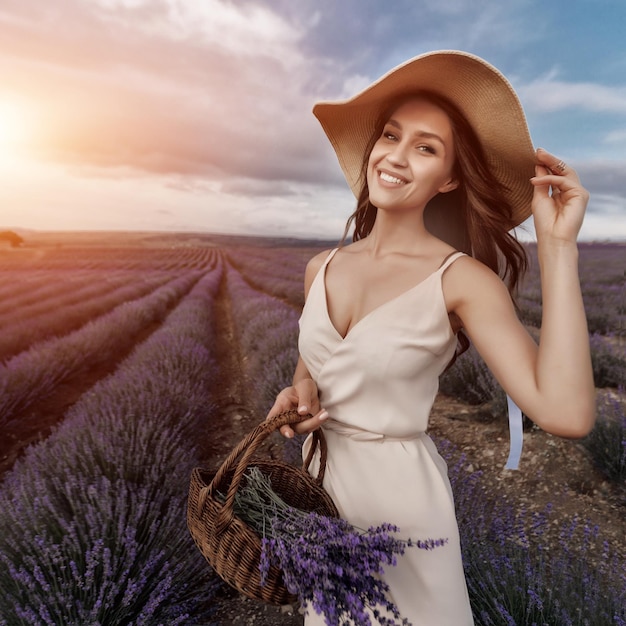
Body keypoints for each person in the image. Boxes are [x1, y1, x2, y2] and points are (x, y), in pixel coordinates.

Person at [266, 50, 596, 625]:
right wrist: (296, 399)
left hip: (405, 518)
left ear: (449, 178)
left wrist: (558, 247)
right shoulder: (320, 267)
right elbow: (313, 374)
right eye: (390, 136)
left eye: (425, 147)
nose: (395, 156)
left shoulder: (462, 280)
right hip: (322, 504)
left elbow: (567, 413)